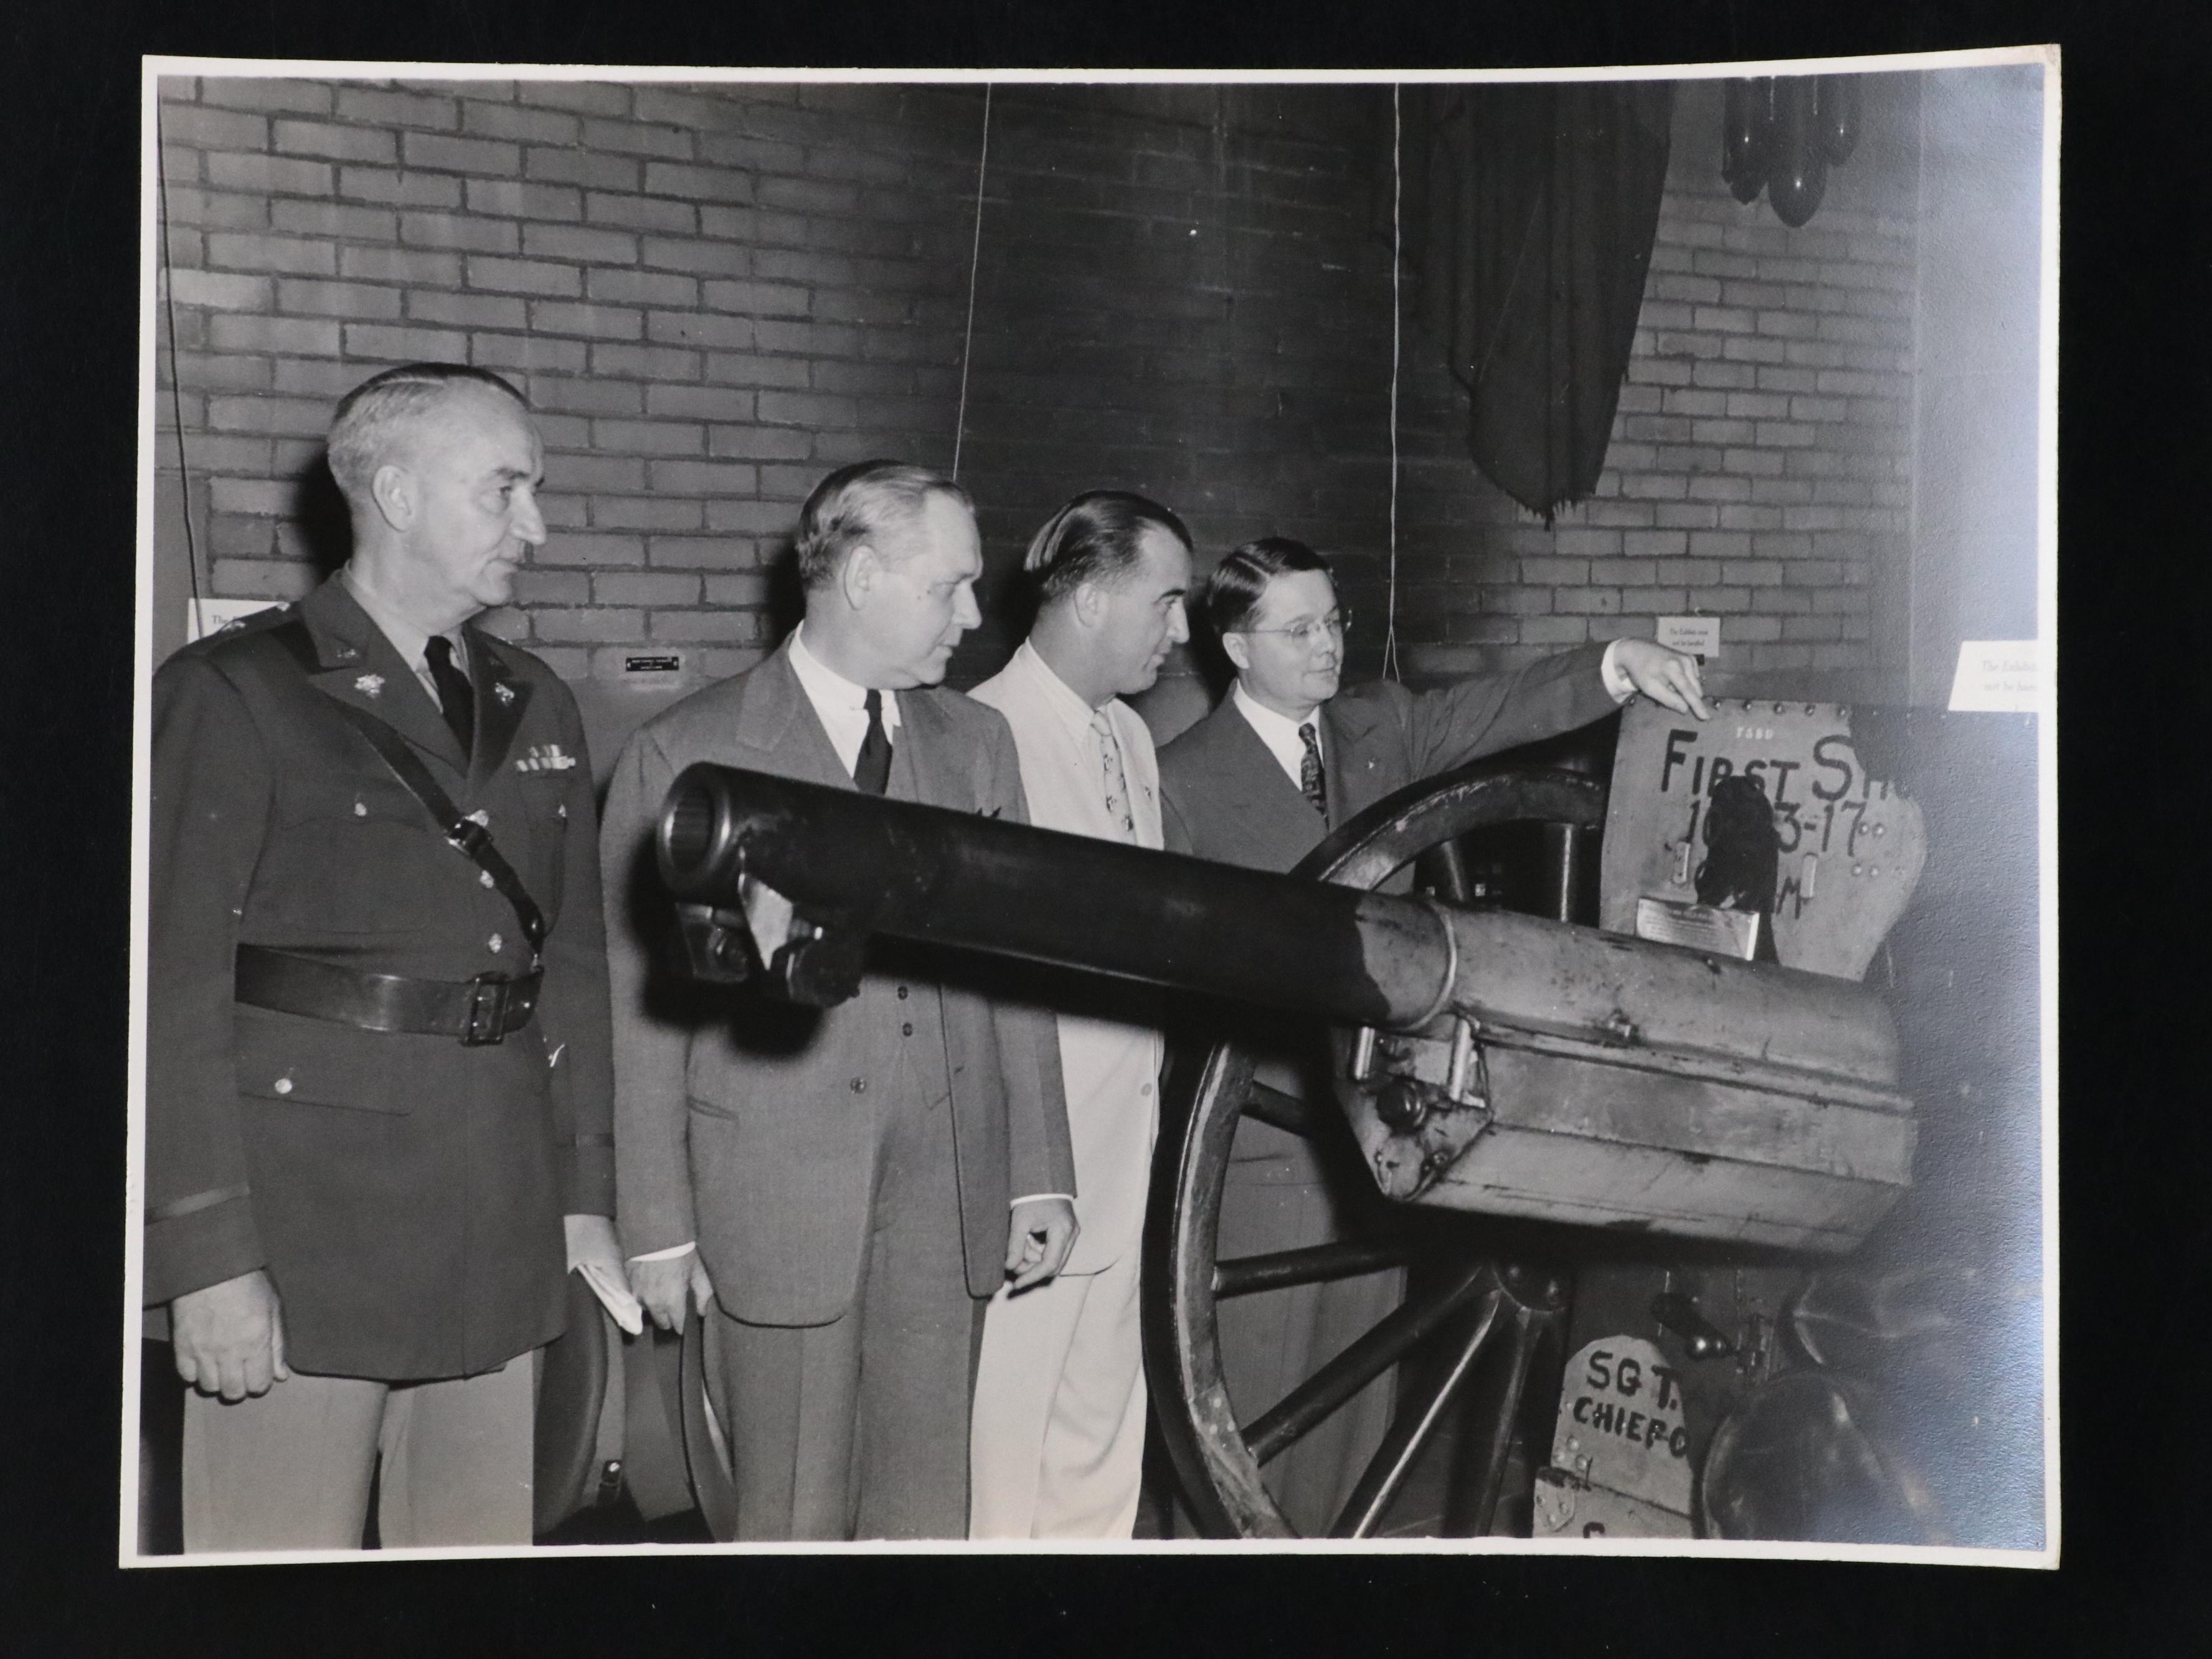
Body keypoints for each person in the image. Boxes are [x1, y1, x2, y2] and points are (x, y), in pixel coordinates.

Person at [144, 362, 624, 1551]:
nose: (536, 526)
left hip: (498, 1213)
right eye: (505, 489)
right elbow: (166, 994)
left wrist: (584, 1202)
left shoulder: (537, 700)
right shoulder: (236, 691)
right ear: (398, 495)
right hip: (308, 1238)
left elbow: (572, 972)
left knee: (471, 1579)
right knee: (267, 1583)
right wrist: (205, 1259)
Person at [1157, 535, 1711, 1534]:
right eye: (1298, 630)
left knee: (1357, 1417)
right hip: (1261, 1148)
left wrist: (1617, 662)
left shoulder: (1380, 727)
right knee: (1253, 1411)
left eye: (1334, 621)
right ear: (1235, 647)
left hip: (1388, 1133)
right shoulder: (1181, 781)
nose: (1327, 646)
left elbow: (1498, 707)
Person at [602, 460, 1078, 1541]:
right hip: (774, 1197)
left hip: (948, 1187)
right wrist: (659, 1229)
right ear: (861, 578)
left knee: (926, 1510)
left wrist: (1039, 1172)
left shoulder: (977, 744)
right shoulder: (688, 749)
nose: (974, 614)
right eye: (949, 586)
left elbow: (1018, 966)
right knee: (788, 1513)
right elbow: (639, 1012)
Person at [964, 491, 1192, 1539]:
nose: (1179, 631)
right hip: (1034, 1172)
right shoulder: (982, 735)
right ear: (1092, 599)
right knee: (1004, 1453)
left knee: (1102, 1438)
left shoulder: (1131, 737)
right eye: (1166, 602)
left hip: (1124, 1148)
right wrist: (1028, 1173)